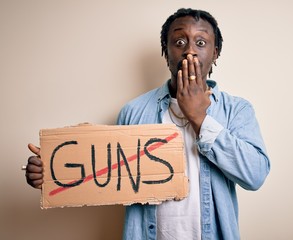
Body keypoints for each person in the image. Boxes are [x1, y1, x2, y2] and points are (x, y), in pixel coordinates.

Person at [25, 8, 270, 240]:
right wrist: (55, 174)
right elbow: (111, 174)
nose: (190, 52)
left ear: (215, 53)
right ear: (166, 52)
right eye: (179, 42)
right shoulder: (133, 111)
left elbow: (255, 175)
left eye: (201, 42)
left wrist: (199, 117)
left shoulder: (237, 110)